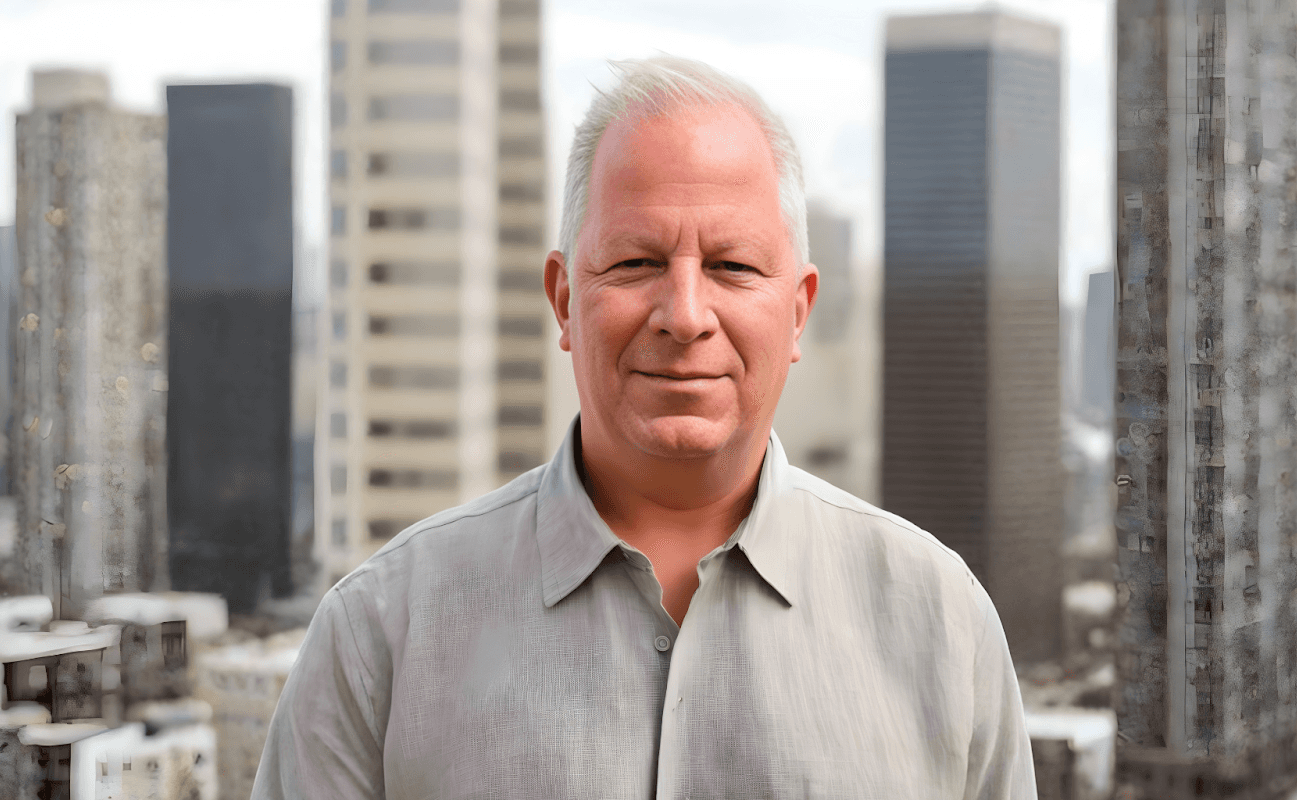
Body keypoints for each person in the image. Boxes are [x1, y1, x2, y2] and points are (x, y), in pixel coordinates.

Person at [253, 56, 1036, 799]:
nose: (686, 316)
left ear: (797, 312)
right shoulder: (379, 634)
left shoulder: (942, 625)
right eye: (634, 263)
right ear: (564, 300)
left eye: (732, 266)